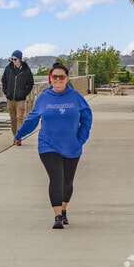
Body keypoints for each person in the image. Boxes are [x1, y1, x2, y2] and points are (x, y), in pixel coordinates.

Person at [14, 62, 92, 229]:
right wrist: (19, 134)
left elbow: (87, 118)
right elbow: (32, 119)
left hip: (72, 145)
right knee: (57, 177)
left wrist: (81, 139)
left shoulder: (76, 97)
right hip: (48, 145)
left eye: (61, 77)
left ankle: (63, 210)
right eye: (54, 76)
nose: (58, 79)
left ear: (67, 78)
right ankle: (57, 216)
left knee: (67, 181)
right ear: (50, 78)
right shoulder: (43, 98)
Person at [1, 49, 34, 145]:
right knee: (13, 119)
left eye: (15, 59)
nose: (13, 61)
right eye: (11, 59)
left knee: (20, 118)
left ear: (19, 59)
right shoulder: (8, 68)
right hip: (10, 98)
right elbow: (4, 80)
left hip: (20, 99)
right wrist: (6, 92)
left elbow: (30, 83)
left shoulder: (26, 70)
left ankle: (18, 137)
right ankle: (15, 135)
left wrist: (24, 94)